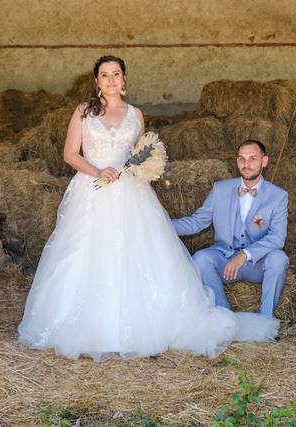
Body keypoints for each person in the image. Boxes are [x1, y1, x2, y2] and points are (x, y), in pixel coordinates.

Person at [18, 56, 277, 362]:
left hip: (130, 193)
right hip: (91, 190)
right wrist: (96, 171)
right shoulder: (83, 112)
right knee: (86, 252)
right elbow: (70, 154)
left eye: (116, 74)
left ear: (124, 80)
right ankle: (89, 328)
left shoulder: (135, 115)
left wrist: (139, 168)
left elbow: (140, 156)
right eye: (104, 74)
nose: (111, 79)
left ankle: (144, 324)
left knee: (135, 252)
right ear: (96, 81)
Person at [172, 140, 289, 320]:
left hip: (255, 263)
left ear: (264, 161)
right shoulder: (220, 189)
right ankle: (224, 315)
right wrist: (162, 224)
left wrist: (244, 255)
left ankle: (266, 320)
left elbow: (277, 237)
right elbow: (198, 222)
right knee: (201, 259)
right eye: (241, 159)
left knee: (279, 259)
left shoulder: (278, 196)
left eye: (252, 159)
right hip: (224, 260)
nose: (246, 164)